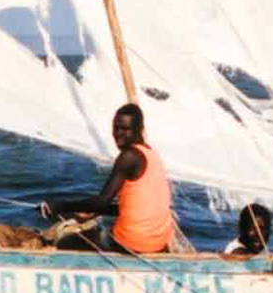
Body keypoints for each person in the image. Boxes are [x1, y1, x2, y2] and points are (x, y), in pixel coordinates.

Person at [38, 103, 181, 254]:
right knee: (101, 226)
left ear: (139, 130)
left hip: (133, 244)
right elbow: (128, 207)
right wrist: (89, 212)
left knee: (66, 242)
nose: (118, 133)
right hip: (157, 243)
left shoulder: (128, 157)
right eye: (116, 128)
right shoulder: (152, 154)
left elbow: (101, 202)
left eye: (125, 129)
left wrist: (59, 206)